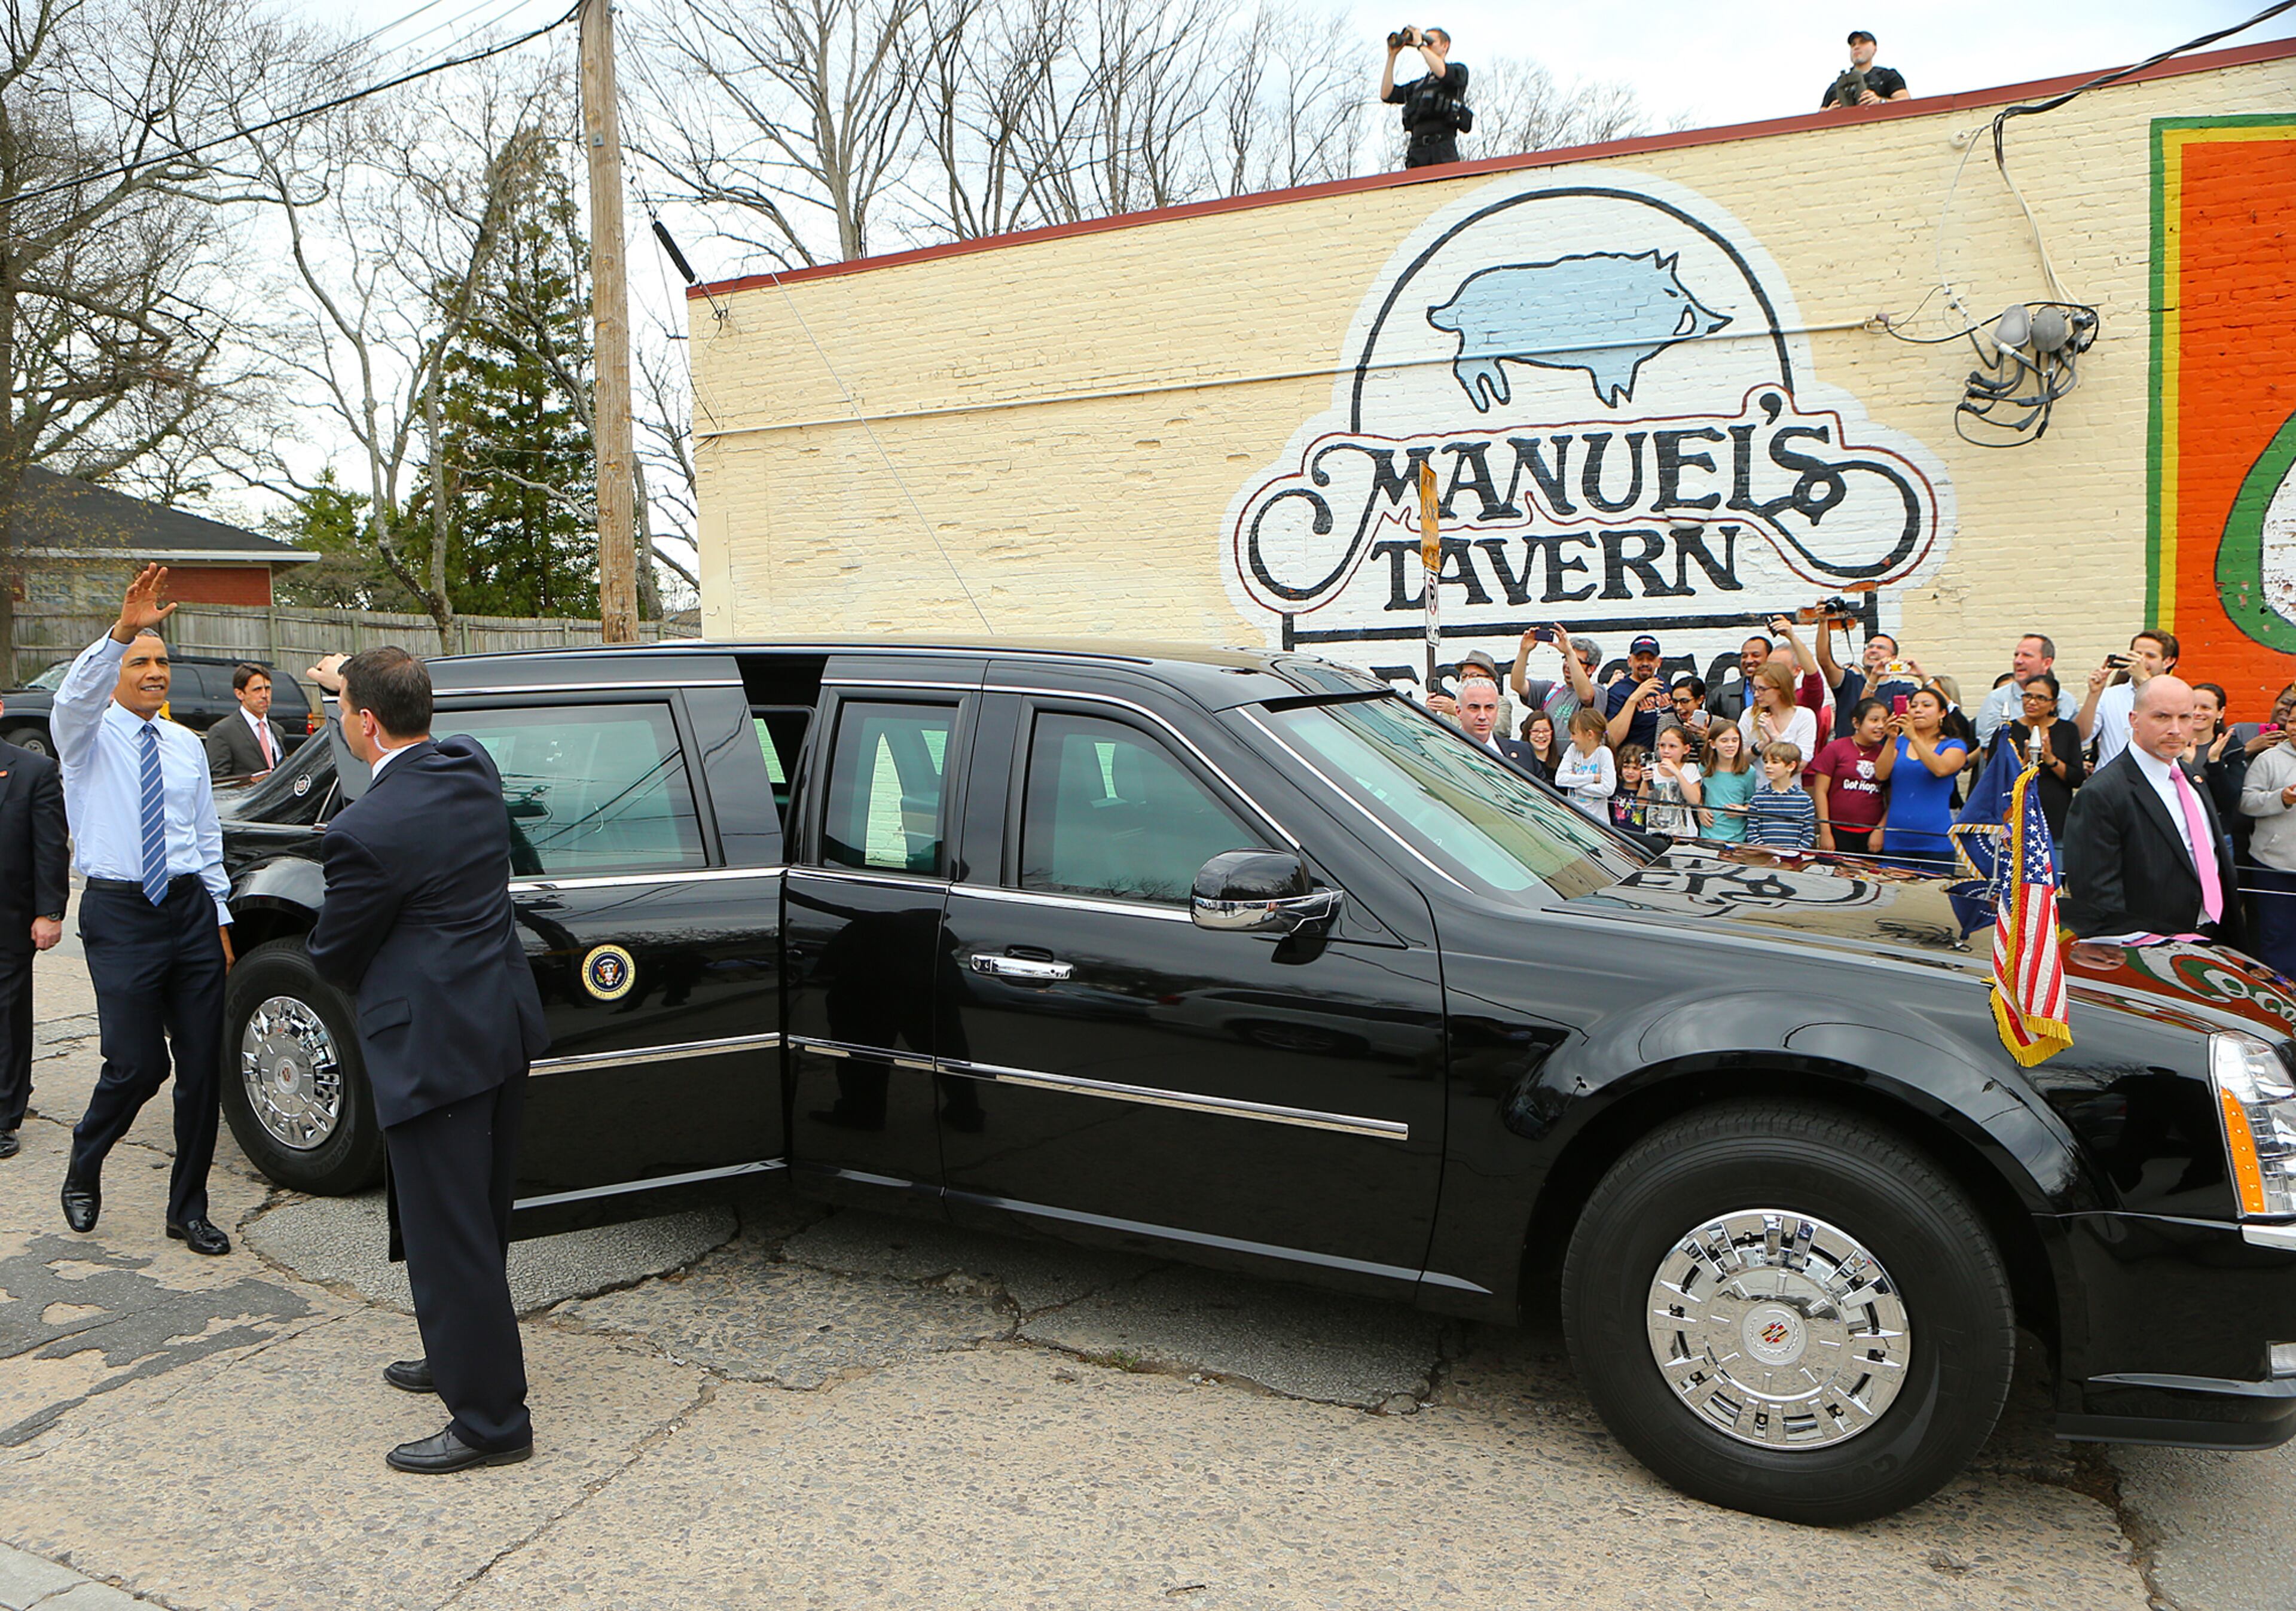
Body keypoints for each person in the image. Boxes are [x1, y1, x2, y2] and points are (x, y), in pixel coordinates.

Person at [305, 646, 549, 1474]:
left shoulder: (363, 832)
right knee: (472, 1218)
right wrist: (352, 676)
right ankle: (458, 1353)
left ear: (364, 722)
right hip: (498, 1029)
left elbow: (335, 952)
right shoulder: (470, 765)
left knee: (449, 1234)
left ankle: (490, 1420)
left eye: (346, 708)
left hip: (433, 1048)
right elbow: (407, 731)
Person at [53, 566, 235, 1253]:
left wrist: (218, 915)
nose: (156, 670)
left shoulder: (187, 746)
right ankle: (85, 1159)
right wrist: (118, 632)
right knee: (137, 1066)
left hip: (188, 910)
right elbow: (74, 699)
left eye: (162, 659)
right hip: (122, 915)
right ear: (117, 673)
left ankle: (187, 1208)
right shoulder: (85, 739)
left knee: (200, 1072)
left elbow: (205, 837)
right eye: (141, 660)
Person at [2064, 676, 2241, 945]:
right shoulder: (2102, 793)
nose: (2176, 729)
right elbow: (2098, 897)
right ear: (2134, 719)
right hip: (2148, 949)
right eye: (2162, 717)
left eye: (2185, 717)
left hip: (2211, 937)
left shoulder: (2191, 777)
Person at [0, 695, 66, 1160]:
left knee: (6, 1014)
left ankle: (5, 1112)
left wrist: (51, 912)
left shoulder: (31, 771)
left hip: (10, 915)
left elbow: (50, 848)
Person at [1875, 687, 1969, 871]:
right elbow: (1881, 774)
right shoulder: (1901, 743)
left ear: (1942, 713)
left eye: (1926, 706)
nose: (1918, 710)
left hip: (1936, 839)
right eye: (1914, 705)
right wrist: (1892, 739)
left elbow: (1941, 769)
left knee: (1933, 896)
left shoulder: (1954, 745)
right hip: (1897, 837)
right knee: (1896, 896)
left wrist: (1914, 738)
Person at [1991, 672, 2086, 838]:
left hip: (2055, 819)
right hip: (2015, 818)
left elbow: (2077, 778)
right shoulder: (2006, 731)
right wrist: (2025, 763)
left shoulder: (2068, 730)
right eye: (2028, 696)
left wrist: (2050, 759)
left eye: (2041, 698)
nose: (2032, 702)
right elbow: (1995, 779)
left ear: (2053, 704)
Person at [2239, 712, 2296, 975]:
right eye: (2293, 721)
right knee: (2276, 934)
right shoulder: (2269, 759)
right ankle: (2280, 995)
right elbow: (2247, 802)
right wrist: (2281, 798)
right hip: (2274, 865)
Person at [2078, 630, 2179, 768]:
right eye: (2137, 655)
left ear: (2168, 661)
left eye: (2150, 656)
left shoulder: (2178, 695)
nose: (2141, 661)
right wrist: (2094, 694)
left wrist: (2144, 680)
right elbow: (2081, 737)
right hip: (2112, 783)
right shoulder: (2109, 695)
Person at [1379, 25, 1468, 169]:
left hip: (1442, 147)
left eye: (1431, 41)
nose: (1426, 45)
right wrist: (1392, 56)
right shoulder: (1420, 85)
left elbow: (1442, 72)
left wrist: (1421, 44)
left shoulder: (1458, 72)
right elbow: (1386, 94)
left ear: (1445, 46)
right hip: (1417, 150)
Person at [1810, 698, 1891, 854]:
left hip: (1871, 834)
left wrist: (1881, 829)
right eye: (1874, 720)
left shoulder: (1885, 754)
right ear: (1856, 723)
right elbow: (1820, 791)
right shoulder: (1835, 749)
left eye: (1885, 721)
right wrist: (1825, 831)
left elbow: (1892, 798)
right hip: (1836, 831)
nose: (1881, 726)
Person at [1973, 634, 2080, 749]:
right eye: (2016, 655)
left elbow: (2075, 744)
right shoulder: (1997, 698)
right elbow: (1989, 748)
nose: (2018, 661)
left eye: (2027, 656)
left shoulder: (2066, 700)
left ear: (2047, 663)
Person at [203, 663, 289, 781]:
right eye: (257, 690)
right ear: (240, 694)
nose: (265, 695)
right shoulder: (222, 732)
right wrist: (251, 780)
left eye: (268, 689)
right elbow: (219, 782)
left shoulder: (278, 730)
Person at [1510, 626, 1601, 729]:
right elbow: (1517, 685)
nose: (1568, 664)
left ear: (1591, 669)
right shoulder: (1550, 690)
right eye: (1566, 658)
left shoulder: (1598, 691)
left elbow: (1586, 696)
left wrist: (1570, 653)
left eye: (1576, 661)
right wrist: (1524, 651)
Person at [1739, 660, 1817, 764]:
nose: (1756, 694)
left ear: (1781, 689)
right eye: (1755, 688)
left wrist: (1775, 735)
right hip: (1757, 781)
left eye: (1763, 689)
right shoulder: (1749, 715)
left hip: (1789, 781)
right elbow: (1737, 761)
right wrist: (1760, 746)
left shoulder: (1805, 716)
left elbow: (1801, 763)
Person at [1604, 634, 1672, 752]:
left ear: (1659, 662)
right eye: (1640, 658)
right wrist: (1634, 699)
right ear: (1630, 661)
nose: (1645, 663)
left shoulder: (1665, 685)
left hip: (1664, 761)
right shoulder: (1618, 691)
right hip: (1633, 764)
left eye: (1650, 659)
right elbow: (1612, 740)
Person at [1455, 675, 1538, 770]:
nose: (1482, 716)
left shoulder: (1524, 752)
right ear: (1459, 711)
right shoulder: (1442, 752)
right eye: (1474, 708)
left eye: (1489, 708)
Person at [1747, 742, 1816, 850]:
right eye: (1766, 762)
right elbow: (1752, 832)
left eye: (1775, 762)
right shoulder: (1758, 798)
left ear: (1791, 766)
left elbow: (1808, 835)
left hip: (1793, 860)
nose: (1768, 766)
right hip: (1764, 859)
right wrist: (1767, 852)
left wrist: (1792, 854)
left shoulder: (1804, 800)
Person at [1641, 724, 1703, 840]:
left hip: (1684, 834)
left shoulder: (1690, 769)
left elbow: (1695, 800)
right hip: (1656, 834)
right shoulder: (1653, 768)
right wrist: (1645, 782)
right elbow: (1640, 805)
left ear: (1686, 749)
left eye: (1672, 746)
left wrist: (1677, 772)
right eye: (1662, 746)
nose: (1666, 751)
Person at [1553, 707, 1616, 820]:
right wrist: (1593, 778)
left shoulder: (1604, 753)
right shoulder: (1573, 750)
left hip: (1597, 822)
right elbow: (1560, 779)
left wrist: (1576, 786)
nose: (1571, 738)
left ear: (1590, 735)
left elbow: (1608, 789)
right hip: (1573, 819)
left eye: (1574, 734)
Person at [1820, 29, 1909, 108]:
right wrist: (1830, 112)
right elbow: (1821, 114)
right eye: (1853, 45)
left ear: (1874, 48)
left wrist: (1880, 102)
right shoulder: (1838, 85)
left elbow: (1906, 103)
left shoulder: (1887, 77)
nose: (1856, 47)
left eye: (1863, 42)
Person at [1698, 722, 1755, 843]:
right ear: (1713, 744)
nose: (1730, 745)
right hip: (1708, 834)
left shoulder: (1748, 772)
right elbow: (1697, 795)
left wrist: (1743, 810)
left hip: (1738, 837)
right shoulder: (1703, 768)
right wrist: (1700, 808)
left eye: (1735, 740)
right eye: (1724, 741)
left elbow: (1752, 800)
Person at [1707, 634, 1770, 723]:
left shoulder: (1782, 691)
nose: (1749, 661)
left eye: (1755, 655)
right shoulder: (1721, 695)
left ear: (1770, 658)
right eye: (1744, 656)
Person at [1611, 745, 1650, 832]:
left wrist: (1645, 780)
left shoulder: (1646, 789)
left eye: (1636, 768)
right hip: (1617, 834)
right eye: (1626, 767)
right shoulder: (1615, 788)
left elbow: (1640, 806)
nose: (1630, 772)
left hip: (1638, 837)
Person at [1517, 712, 1565, 781]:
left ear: (1552, 733)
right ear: (1528, 733)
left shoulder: (1563, 764)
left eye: (1546, 731)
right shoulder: (1519, 764)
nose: (1541, 736)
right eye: (1536, 731)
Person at [1668, 677, 1714, 742]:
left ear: (1700, 700)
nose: (1678, 707)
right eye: (1675, 702)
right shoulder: (1667, 720)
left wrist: (1707, 739)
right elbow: (1659, 751)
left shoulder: (1718, 723)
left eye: (1684, 701)